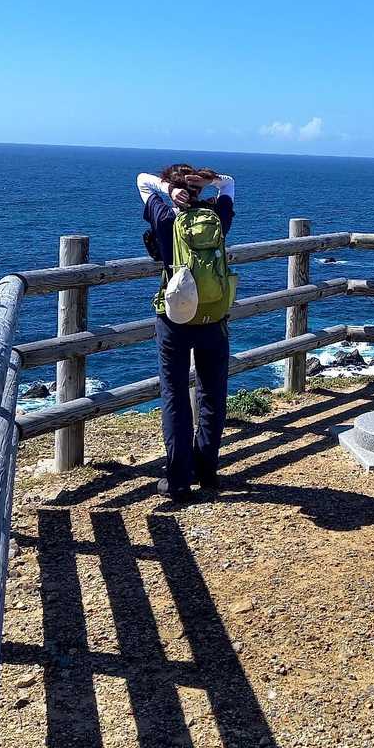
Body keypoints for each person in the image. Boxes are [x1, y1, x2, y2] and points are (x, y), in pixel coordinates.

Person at [137, 163, 236, 502]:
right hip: (214, 317)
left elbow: (142, 181)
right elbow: (230, 185)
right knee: (212, 394)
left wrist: (168, 189)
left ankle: (178, 480)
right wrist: (211, 181)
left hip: (175, 320)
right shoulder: (216, 218)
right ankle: (207, 470)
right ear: (199, 189)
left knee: (175, 395)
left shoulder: (165, 217)